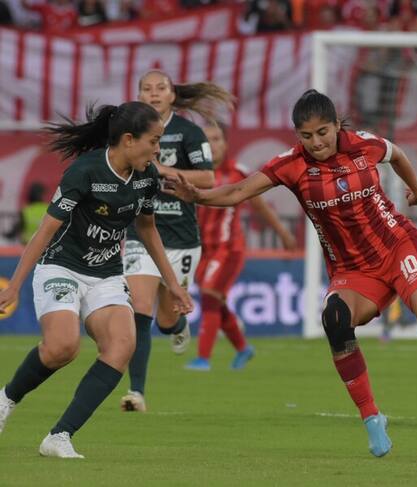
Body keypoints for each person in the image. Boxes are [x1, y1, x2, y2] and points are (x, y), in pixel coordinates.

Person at [163, 89, 417, 457]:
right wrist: (197, 196)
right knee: (335, 319)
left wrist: (416, 189)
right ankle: (372, 418)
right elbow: (239, 191)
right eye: (306, 136)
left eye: (323, 132)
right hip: (353, 270)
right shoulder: (291, 165)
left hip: (399, 246)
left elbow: (397, 154)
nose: (316, 142)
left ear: (336, 125)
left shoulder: (364, 145)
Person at [0, 101, 193, 459]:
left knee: (122, 345)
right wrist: (14, 285)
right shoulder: (85, 171)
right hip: (61, 266)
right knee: (62, 347)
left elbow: (147, 229)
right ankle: (6, 399)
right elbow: (44, 231)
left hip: (106, 273)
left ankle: (59, 436)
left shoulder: (147, 177)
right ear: (129, 139)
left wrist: (173, 284)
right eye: (154, 141)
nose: (158, 150)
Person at [120, 70, 233, 413]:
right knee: (140, 307)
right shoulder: (129, 132)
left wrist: (163, 170)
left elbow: (208, 178)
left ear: (172, 95)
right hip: (141, 231)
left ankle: (178, 326)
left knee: (167, 319)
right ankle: (136, 392)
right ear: (139, 95)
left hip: (181, 237)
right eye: (147, 88)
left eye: (160, 88)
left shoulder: (188, 132)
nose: (153, 93)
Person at [185, 122, 297, 372]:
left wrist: (282, 232)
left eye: (216, 139)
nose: (212, 145)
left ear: (226, 143)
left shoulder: (237, 173)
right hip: (203, 250)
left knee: (210, 296)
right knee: (215, 300)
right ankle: (243, 348)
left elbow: (260, 207)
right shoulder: (194, 175)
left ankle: (203, 358)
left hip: (228, 249)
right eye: (206, 140)